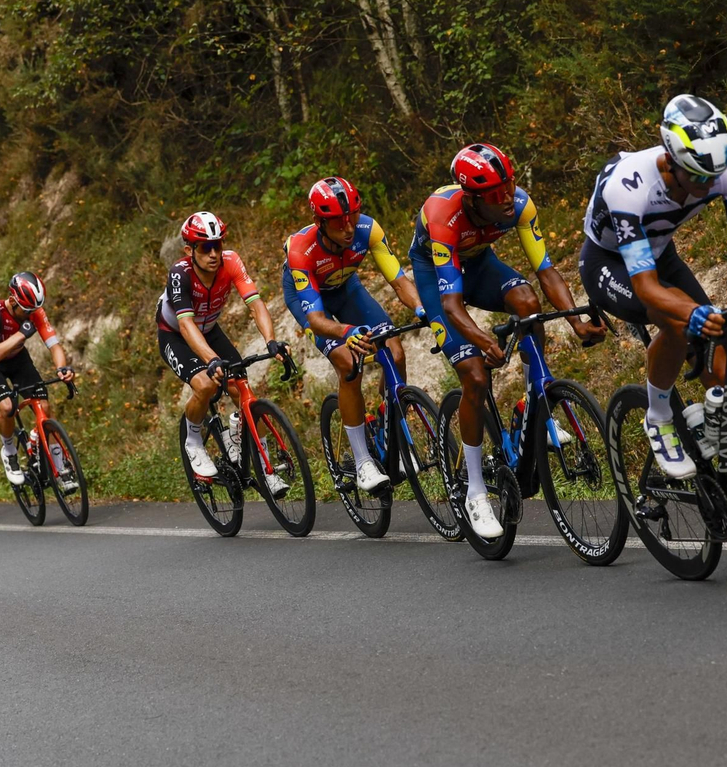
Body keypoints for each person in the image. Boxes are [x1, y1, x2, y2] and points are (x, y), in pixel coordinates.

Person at [577, 94, 727, 539]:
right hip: (608, 263)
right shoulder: (628, 185)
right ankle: (658, 416)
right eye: (696, 175)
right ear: (670, 160)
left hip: (659, 252)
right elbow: (647, 288)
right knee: (675, 319)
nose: (707, 184)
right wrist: (690, 312)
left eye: (713, 176)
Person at [409, 143, 604, 537]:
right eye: (495, 194)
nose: (506, 199)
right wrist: (482, 339)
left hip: (480, 263)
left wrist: (576, 320)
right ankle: (476, 493)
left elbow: (545, 270)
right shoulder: (443, 217)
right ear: (471, 198)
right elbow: (451, 304)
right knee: (476, 377)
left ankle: (538, 401)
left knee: (528, 302)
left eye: (509, 187)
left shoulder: (519, 204)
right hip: (437, 277)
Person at [282, 177, 423, 494]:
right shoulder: (302, 251)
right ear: (320, 221)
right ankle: (362, 461)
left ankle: (392, 437)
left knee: (396, 353)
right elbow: (316, 319)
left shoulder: (368, 230)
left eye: (352, 217)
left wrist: (421, 310)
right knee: (348, 364)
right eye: (337, 221)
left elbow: (399, 282)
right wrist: (346, 331)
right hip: (310, 299)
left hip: (346, 289)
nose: (347, 227)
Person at [158, 211, 288, 484]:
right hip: (176, 335)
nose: (214, 253)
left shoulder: (231, 262)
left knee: (242, 389)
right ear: (189, 250)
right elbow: (186, 326)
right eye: (205, 248)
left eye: (218, 245)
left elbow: (255, 304)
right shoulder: (179, 274)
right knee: (205, 385)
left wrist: (271, 340)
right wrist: (212, 360)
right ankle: (193, 442)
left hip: (209, 329)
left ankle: (266, 469)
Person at [0, 272, 72, 487]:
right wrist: (20, 336)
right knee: (8, 407)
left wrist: (62, 368)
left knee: (44, 406)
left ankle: (58, 462)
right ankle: (9, 450)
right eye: (26, 311)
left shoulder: (35, 311)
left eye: (33, 311)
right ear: (12, 300)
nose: (30, 315)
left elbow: (54, 345)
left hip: (17, 359)